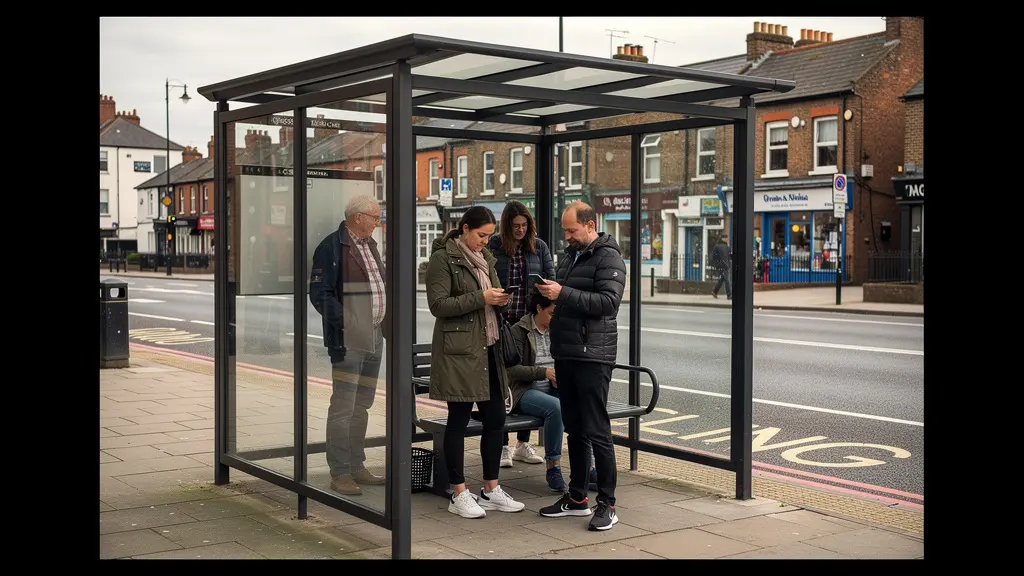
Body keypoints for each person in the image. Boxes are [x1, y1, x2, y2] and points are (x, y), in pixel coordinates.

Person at [425, 205, 526, 519]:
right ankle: (458, 493)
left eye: (489, 236)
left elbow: (486, 301)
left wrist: (499, 299)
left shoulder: (487, 259)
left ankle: (490, 489)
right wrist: (482, 298)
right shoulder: (442, 259)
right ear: (465, 228)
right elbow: (438, 305)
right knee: (458, 420)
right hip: (459, 353)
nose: (486, 241)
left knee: (495, 420)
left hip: (489, 349)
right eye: (481, 235)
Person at [536, 201, 626, 532]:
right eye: (565, 230)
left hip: (593, 355)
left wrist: (564, 292)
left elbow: (608, 303)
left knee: (597, 429)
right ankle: (576, 499)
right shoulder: (571, 255)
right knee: (575, 428)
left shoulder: (609, 257)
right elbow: (567, 296)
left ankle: (608, 504)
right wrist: (549, 293)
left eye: (572, 230)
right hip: (568, 353)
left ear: (590, 225)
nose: (567, 236)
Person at [309, 195, 388, 496]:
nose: (378, 222)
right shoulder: (331, 247)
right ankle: (340, 472)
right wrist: (350, 323)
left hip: (375, 335)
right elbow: (320, 295)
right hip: (349, 339)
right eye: (374, 217)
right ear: (357, 217)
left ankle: (356, 465)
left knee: (362, 405)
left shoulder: (370, 245)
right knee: (344, 406)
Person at [487, 200, 555, 468]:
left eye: (524, 225)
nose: (520, 230)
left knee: (530, 377)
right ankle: (503, 445)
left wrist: (543, 288)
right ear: (506, 226)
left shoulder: (539, 246)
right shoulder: (494, 246)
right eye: (515, 226)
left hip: (528, 322)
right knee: (504, 380)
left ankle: (522, 444)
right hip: (503, 322)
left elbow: (550, 276)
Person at [506, 291, 567, 492]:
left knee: (583, 404)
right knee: (556, 408)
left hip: (553, 388)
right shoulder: (520, 331)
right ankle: (553, 467)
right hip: (525, 391)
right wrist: (544, 373)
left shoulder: (557, 330)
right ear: (539, 308)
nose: (554, 318)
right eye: (551, 313)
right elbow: (511, 370)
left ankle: (589, 465)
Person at [711, 235, 732, 300]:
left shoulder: (721, 246)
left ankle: (714, 291)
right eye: (726, 238)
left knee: (721, 280)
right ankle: (729, 295)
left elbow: (714, 257)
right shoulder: (724, 247)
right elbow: (729, 257)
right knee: (727, 281)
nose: (727, 239)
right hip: (724, 266)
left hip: (723, 266)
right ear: (723, 238)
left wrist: (717, 265)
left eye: (727, 238)